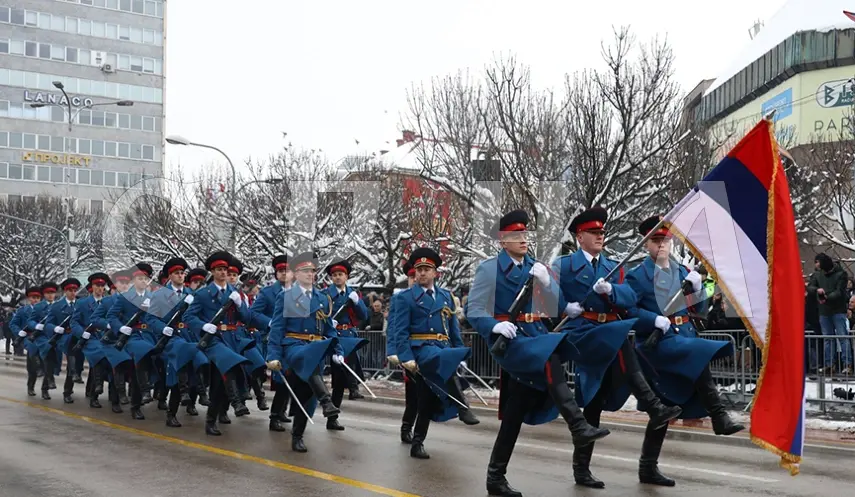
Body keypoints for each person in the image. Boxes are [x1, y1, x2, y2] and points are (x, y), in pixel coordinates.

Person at [466, 210, 609, 497]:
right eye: (515, 236)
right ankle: (577, 423)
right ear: (502, 241)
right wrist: (496, 326)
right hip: (513, 340)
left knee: (516, 411)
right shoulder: (489, 269)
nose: (523, 239)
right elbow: (474, 310)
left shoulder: (536, 266)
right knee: (549, 357)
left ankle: (495, 477)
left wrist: (546, 281)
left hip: (536, 336)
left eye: (524, 234)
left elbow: (556, 306)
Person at [551, 206, 682, 489]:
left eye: (602, 232)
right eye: (593, 232)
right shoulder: (564, 265)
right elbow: (548, 297)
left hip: (610, 331)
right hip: (583, 332)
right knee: (602, 379)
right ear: (579, 236)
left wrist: (611, 291)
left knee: (595, 400)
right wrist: (565, 307)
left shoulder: (612, 266)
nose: (600, 236)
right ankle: (652, 404)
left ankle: (582, 470)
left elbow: (629, 298)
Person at [624, 216, 745, 486]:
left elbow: (698, 311)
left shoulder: (681, 272)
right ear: (647, 244)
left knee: (665, 407)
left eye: (666, 239)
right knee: (699, 353)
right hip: (657, 345)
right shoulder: (636, 276)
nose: (662, 245)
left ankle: (647, 468)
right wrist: (652, 319)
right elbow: (629, 311)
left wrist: (699, 287)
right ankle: (718, 415)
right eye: (656, 240)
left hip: (682, 337)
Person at [266, 251, 365, 453]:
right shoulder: (285, 297)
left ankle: (298, 435)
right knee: (305, 363)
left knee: (306, 395)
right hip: (293, 348)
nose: (309, 275)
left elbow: (329, 329)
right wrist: (273, 355)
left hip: (316, 350)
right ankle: (327, 401)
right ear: (295, 273)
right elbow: (277, 328)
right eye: (304, 271)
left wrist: (337, 350)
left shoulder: (322, 298)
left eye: (312, 271)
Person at [388, 247, 479, 459]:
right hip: (421, 351)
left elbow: (453, 329)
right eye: (418, 269)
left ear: (435, 273)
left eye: (427, 269)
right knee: (436, 365)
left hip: (443, 349)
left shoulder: (446, 297)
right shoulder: (405, 298)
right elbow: (399, 330)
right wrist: (405, 357)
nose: (421, 273)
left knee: (426, 398)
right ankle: (462, 406)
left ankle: (417, 443)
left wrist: (458, 355)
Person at [183, 251, 253, 436]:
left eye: (225, 269)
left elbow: (246, 318)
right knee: (229, 365)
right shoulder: (203, 294)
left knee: (218, 384)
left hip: (231, 339)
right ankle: (237, 401)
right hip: (214, 340)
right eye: (219, 269)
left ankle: (212, 419)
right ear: (212, 272)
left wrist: (240, 305)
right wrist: (204, 326)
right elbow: (189, 316)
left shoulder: (234, 293)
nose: (223, 273)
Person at [148, 257, 210, 427]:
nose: (181, 276)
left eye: (183, 273)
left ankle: (199, 391)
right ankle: (173, 411)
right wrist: (163, 328)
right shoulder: (160, 294)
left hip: (188, 337)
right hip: (170, 338)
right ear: (170, 275)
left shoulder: (191, 295)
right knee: (178, 369)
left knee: (200, 361)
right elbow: (151, 319)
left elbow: (199, 316)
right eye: (177, 273)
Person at [73, 272, 133, 410]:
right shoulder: (83, 303)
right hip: (91, 339)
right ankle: (96, 393)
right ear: (92, 286)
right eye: (97, 285)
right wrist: (82, 334)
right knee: (99, 359)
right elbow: (74, 322)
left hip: (110, 338)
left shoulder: (111, 302)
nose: (100, 288)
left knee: (116, 364)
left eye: (102, 286)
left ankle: (115, 399)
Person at [107, 263, 160, 420]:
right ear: (134, 280)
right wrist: (121, 328)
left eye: (146, 278)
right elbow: (111, 316)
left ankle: (145, 393)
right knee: (140, 356)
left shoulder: (152, 298)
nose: (143, 281)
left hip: (149, 335)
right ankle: (142, 393)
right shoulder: (124, 298)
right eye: (140, 278)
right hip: (132, 336)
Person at [322, 259, 370, 431]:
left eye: (340, 274)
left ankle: (335, 415)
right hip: (336, 337)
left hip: (350, 336)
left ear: (346, 276)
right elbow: (321, 313)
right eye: (334, 275)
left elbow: (364, 315)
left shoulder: (352, 294)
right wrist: (328, 322)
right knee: (339, 378)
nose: (337, 278)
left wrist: (357, 302)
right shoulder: (326, 294)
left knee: (344, 376)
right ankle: (350, 392)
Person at [250, 254, 294, 432]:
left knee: (291, 378)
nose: (285, 274)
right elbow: (254, 313)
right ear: (276, 274)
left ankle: (282, 410)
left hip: (293, 340)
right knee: (282, 378)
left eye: (288, 271)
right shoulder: (268, 293)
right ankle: (274, 416)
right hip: (275, 339)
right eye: (281, 271)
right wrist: (269, 322)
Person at [387, 261, 419, 443]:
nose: (415, 280)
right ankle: (407, 427)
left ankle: (420, 432)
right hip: (408, 351)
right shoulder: (400, 298)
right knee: (413, 394)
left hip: (428, 349)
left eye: (417, 276)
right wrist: (393, 350)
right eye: (412, 277)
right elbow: (392, 326)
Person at [807, 253, 853, 374]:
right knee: (828, 338)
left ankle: (847, 364)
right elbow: (810, 287)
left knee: (842, 337)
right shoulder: (817, 274)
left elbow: (840, 291)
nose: (816, 265)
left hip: (838, 309)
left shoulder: (841, 274)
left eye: (817, 262)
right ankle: (829, 364)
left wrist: (826, 297)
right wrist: (817, 291)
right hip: (824, 311)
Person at [10, 286, 43, 396]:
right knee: (31, 365)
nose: (36, 300)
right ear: (29, 298)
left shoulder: (45, 310)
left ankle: (45, 389)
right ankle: (31, 385)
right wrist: (19, 332)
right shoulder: (22, 311)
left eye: (38, 297)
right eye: (33, 297)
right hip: (28, 338)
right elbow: (13, 324)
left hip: (42, 338)